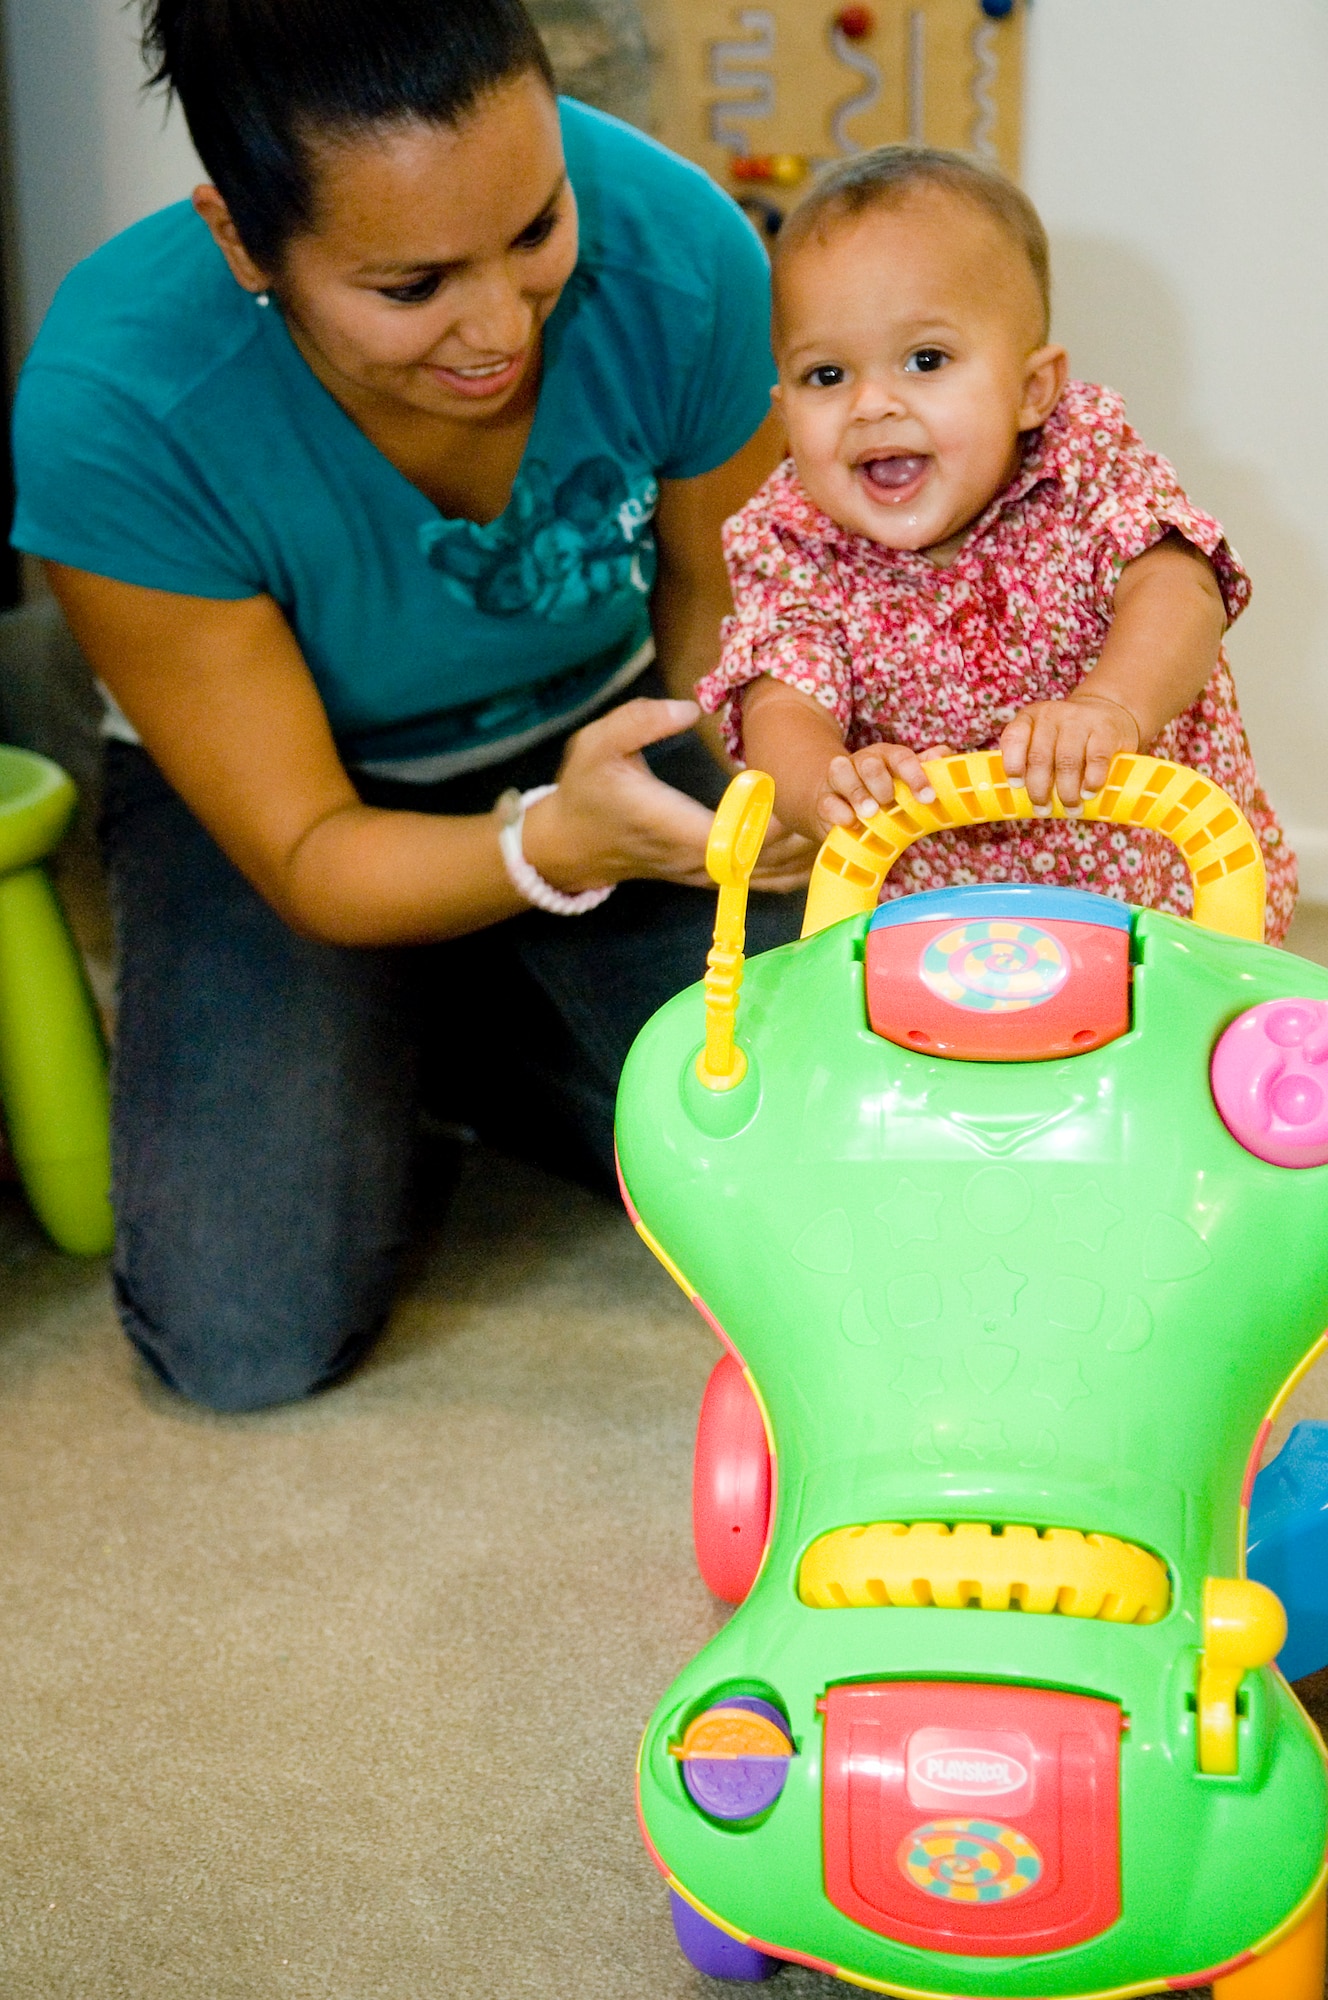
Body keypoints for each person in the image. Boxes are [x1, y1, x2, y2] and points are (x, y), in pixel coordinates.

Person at [10, 0, 810, 1412]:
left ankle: (455, 1023)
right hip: (293, 804)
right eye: (412, 286)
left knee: (810, 1166)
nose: (501, 325)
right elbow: (311, 848)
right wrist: (538, 856)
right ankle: (450, 1001)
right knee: (243, 1339)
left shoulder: (683, 251)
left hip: (601, 731)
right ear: (244, 244)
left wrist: (745, 777)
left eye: (537, 227)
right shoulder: (116, 399)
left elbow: (722, 619)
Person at [697, 146, 1296, 941]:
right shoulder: (795, 536)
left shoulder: (1082, 463)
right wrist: (823, 786)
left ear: (1032, 389)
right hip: (932, 917)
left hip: (1156, 891)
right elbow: (781, 695)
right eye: (826, 377)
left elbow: (1178, 590)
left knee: (1182, 1050)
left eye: (926, 360)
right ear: (783, 407)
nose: (873, 403)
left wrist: (1109, 706)